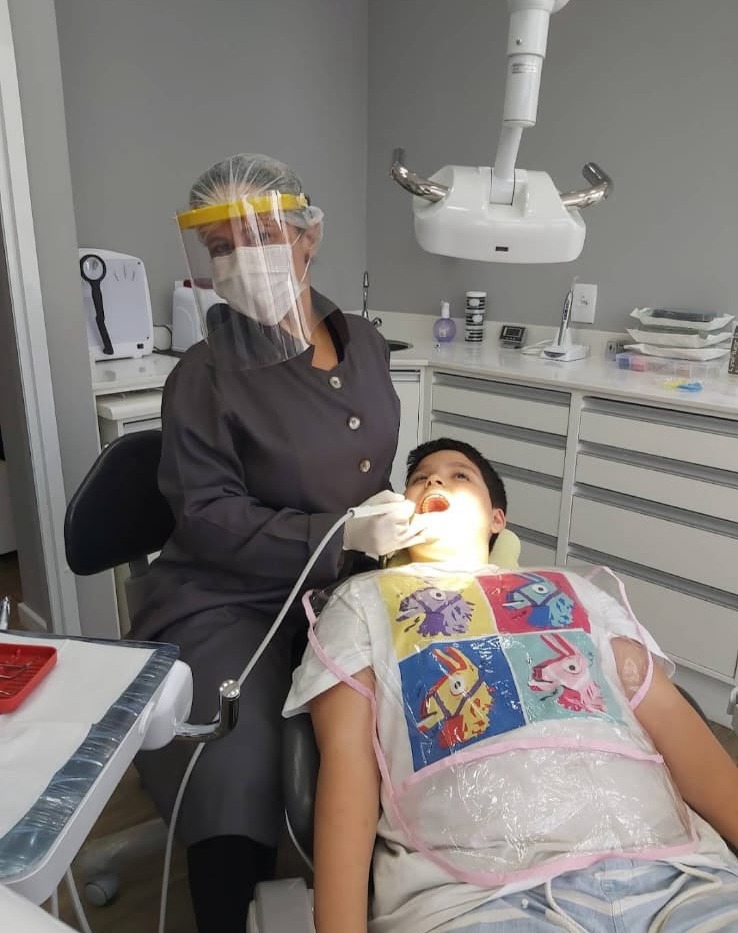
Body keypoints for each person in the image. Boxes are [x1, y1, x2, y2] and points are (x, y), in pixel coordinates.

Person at [130, 153, 431, 933]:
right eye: (220, 247)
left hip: (346, 586)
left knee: (420, 711)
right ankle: (227, 909)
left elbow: (365, 459)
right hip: (226, 598)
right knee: (239, 755)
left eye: (259, 237)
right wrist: (339, 531)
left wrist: (388, 519)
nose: (240, 261)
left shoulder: (364, 343)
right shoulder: (204, 376)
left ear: (308, 238)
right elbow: (207, 516)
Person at [284, 437, 738, 933]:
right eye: (419, 479)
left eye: (459, 475)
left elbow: (681, 734)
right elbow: (346, 770)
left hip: (678, 876)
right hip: (479, 898)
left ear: (496, 518)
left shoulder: (575, 592)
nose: (434, 480)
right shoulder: (361, 603)